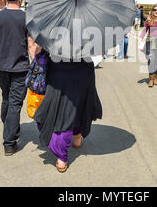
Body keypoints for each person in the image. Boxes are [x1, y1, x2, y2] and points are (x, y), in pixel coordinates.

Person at [29, 44, 103, 173]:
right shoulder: (88, 26)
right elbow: (100, 50)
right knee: (79, 105)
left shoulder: (54, 25)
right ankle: (77, 137)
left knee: (61, 111)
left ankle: (62, 158)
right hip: (84, 69)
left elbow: (36, 47)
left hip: (59, 70)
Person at [0, 0, 30, 156]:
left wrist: (1, 39)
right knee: (15, 103)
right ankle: (9, 143)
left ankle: (9, 126)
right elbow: (31, 43)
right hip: (20, 67)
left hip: (0, 66)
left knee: (6, 96)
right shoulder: (26, 17)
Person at [140, 4, 157, 87]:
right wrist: (140, 39)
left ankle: (155, 77)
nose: (156, 11)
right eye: (155, 10)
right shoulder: (149, 20)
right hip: (150, 40)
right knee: (151, 59)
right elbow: (145, 30)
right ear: (152, 11)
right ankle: (151, 78)